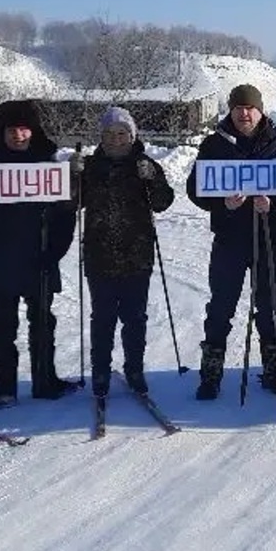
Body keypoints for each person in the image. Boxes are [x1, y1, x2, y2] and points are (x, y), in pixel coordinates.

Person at [185, 84, 276, 401]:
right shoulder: (214, 144)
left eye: (250, 107)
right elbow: (195, 189)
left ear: (260, 110)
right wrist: (223, 204)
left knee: (270, 306)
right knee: (221, 307)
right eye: (238, 107)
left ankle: (273, 371)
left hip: (268, 237)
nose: (244, 113)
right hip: (228, 238)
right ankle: (211, 374)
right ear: (231, 110)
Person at [0, 100, 79, 408]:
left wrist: (55, 250)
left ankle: (45, 380)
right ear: (2, 131)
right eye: (11, 129)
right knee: (3, 326)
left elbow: (66, 213)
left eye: (24, 128)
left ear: (33, 130)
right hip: (0, 257)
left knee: (42, 323)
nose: (18, 135)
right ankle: (4, 387)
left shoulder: (49, 163)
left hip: (40, 254)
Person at [72, 106, 174, 397]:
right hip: (99, 253)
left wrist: (152, 177)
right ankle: (100, 371)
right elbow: (70, 204)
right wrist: (72, 177)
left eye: (122, 134)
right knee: (102, 317)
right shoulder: (90, 166)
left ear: (132, 136)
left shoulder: (145, 164)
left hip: (137, 254)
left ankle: (135, 369)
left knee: (135, 317)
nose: (116, 140)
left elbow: (163, 202)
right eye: (110, 134)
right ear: (101, 137)